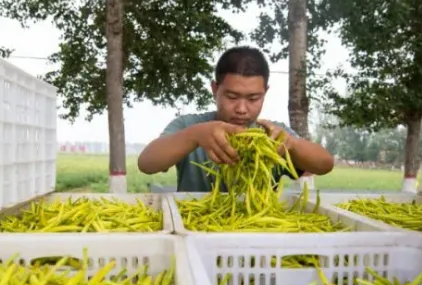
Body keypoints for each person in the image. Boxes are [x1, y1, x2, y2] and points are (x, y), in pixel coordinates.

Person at [138, 46, 334, 192]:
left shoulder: (273, 135)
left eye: (253, 98)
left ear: (265, 92)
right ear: (215, 89)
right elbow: (147, 163)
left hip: (255, 237)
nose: (241, 109)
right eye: (231, 97)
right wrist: (195, 136)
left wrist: (292, 145)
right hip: (195, 234)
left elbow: (324, 164)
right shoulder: (190, 126)